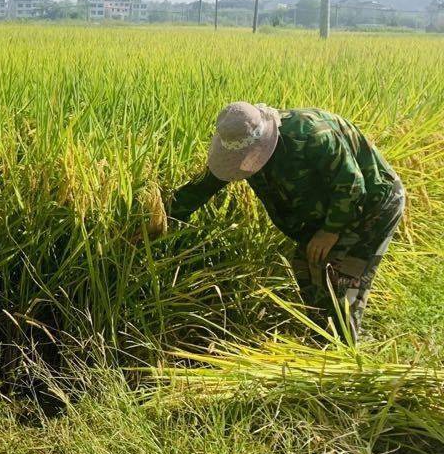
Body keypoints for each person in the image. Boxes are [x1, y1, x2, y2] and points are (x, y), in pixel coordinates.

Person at [162, 103, 405, 340]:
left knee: (339, 277)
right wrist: (160, 218)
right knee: (304, 264)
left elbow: (352, 186)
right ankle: (322, 336)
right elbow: (202, 187)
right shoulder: (239, 146)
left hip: (373, 205)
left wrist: (329, 232)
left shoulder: (312, 135)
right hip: (326, 214)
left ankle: (346, 354)